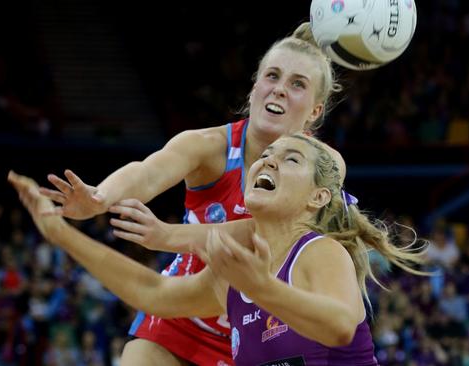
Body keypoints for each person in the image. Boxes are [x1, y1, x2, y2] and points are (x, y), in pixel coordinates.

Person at [38, 23, 344, 366]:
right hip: (180, 314)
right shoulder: (208, 146)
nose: (279, 90)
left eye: (297, 84)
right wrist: (99, 197)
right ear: (254, 88)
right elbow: (147, 171)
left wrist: (170, 236)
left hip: (261, 332)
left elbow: (262, 235)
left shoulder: (324, 168)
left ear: (316, 111)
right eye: (272, 76)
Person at [9, 133, 427, 365]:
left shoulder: (319, 251)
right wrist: (61, 235)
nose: (268, 161)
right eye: (266, 155)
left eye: (291, 159)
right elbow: (152, 294)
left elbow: (338, 326)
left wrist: (263, 288)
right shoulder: (234, 269)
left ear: (317, 198)